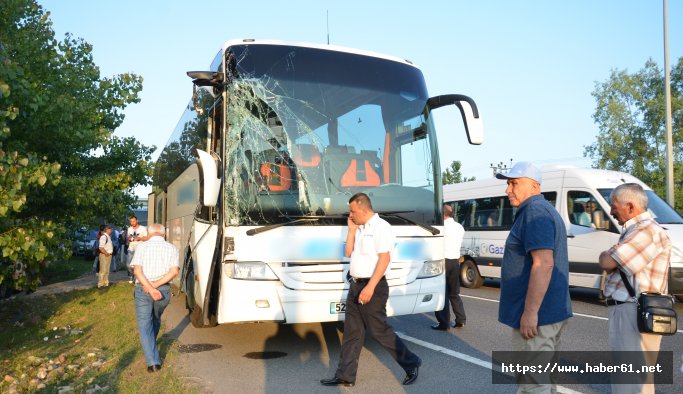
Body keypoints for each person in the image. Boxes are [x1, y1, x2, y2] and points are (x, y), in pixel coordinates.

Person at [321, 193, 422, 387]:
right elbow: (348, 252)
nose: (350, 215)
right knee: (352, 332)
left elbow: (384, 259)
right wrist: (351, 231)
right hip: (356, 285)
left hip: (372, 286)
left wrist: (370, 287)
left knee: (378, 330)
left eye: (353, 211)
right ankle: (345, 375)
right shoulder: (358, 228)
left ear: (365, 209)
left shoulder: (381, 228)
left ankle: (411, 362)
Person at [495, 162, 572, 392]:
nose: (508, 189)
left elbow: (544, 263)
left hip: (539, 318)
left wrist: (529, 314)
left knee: (532, 385)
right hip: (550, 313)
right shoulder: (542, 210)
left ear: (534, 186)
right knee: (543, 383)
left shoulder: (535, 212)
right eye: (508, 183)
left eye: (514, 183)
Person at [599, 183, 671, 394]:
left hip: (634, 312)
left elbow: (607, 262)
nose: (611, 211)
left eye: (614, 206)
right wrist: (610, 255)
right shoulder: (636, 231)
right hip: (632, 311)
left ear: (630, 207)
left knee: (631, 382)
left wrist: (608, 254)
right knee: (632, 380)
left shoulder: (646, 231)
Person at [130, 223, 179, 373]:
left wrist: (150, 288)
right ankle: (151, 350)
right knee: (155, 319)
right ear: (164, 234)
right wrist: (156, 287)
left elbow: (137, 271)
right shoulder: (172, 248)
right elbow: (174, 272)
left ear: (150, 234)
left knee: (145, 325)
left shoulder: (142, 247)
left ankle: (153, 363)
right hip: (163, 292)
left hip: (143, 290)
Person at [432, 204, 466, 330]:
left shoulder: (440, 228)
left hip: (442, 261)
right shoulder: (459, 227)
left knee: (442, 293)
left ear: (442, 214)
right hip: (455, 262)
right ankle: (460, 320)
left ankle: (444, 323)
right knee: (454, 293)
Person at [126, 216, 149, 283]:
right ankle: (132, 275)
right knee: (128, 264)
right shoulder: (129, 229)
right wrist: (129, 239)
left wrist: (139, 238)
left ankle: (136, 278)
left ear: (137, 221)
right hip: (131, 248)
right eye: (131, 221)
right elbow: (128, 238)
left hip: (139, 249)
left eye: (133, 221)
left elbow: (147, 238)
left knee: (137, 265)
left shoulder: (142, 228)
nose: (132, 223)